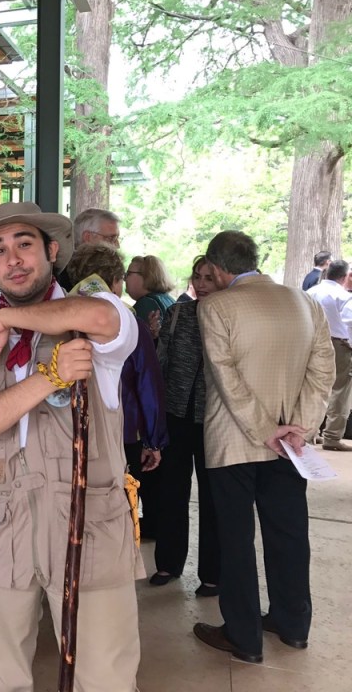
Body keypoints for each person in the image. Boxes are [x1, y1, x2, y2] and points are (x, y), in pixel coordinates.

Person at [0, 202, 143, 692]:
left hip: (88, 523)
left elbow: (100, 315)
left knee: (104, 677)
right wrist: (47, 377)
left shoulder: (96, 315)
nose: (13, 258)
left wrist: (17, 319)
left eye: (25, 244)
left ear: (52, 251)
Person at [193, 230, 333, 665]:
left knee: (236, 538)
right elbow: (323, 370)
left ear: (216, 269)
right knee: (289, 534)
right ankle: (293, 626)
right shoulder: (304, 302)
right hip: (288, 446)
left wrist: (262, 429)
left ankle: (243, 636)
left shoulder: (215, 305)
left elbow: (224, 376)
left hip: (233, 441)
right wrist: (298, 429)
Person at [148, 256, 221, 596]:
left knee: (212, 496)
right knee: (171, 491)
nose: (202, 283)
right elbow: (162, 360)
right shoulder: (179, 313)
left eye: (209, 277)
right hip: (177, 415)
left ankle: (212, 574)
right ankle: (168, 562)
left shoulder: (227, 315)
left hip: (214, 419)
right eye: (197, 276)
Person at [64, 242, 165, 484]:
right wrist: (154, 440)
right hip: (122, 428)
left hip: (68, 429)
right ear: (114, 281)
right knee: (120, 502)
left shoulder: (57, 316)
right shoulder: (128, 321)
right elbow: (147, 383)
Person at [307, 259, 352, 452]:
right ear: (344, 277)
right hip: (338, 343)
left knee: (312, 387)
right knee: (340, 390)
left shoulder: (310, 293)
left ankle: (310, 431)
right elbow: (349, 323)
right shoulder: (343, 295)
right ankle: (332, 436)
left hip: (310, 341)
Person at [125, 254, 175, 329]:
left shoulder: (146, 304)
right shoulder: (168, 299)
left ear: (146, 276)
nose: (124, 278)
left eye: (128, 274)